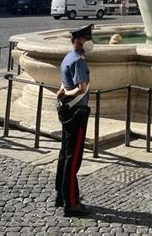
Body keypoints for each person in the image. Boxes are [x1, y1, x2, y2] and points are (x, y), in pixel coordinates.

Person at [55, 24, 94, 217]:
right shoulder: (78, 60)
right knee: (74, 158)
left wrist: (63, 94)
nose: (89, 43)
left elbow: (65, 82)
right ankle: (71, 203)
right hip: (77, 111)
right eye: (87, 39)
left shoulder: (67, 57)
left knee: (64, 153)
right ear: (79, 40)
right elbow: (81, 88)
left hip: (67, 112)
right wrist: (65, 94)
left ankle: (60, 195)